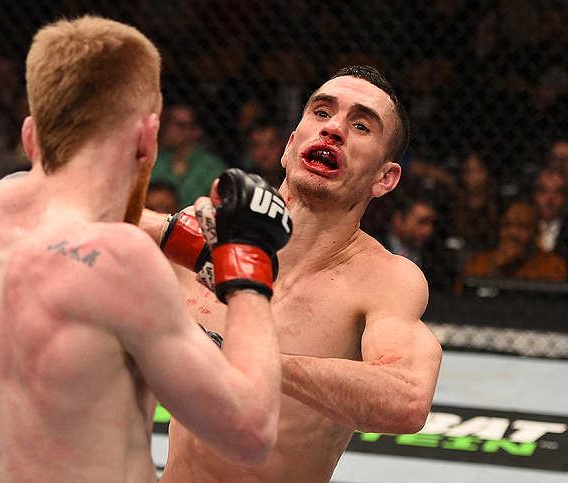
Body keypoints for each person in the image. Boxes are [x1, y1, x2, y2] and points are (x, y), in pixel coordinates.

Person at [0, 16, 291, 483]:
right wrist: (249, 259)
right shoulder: (121, 261)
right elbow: (250, 433)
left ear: (31, 135)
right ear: (147, 138)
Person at [142, 65, 443, 483]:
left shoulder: (387, 280)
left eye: (360, 125)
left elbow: (407, 399)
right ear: (289, 147)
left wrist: (251, 359)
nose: (334, 129)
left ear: (385, 178)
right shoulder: (206, 229)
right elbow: (76, 226)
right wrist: (161, 228)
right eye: (322, 113)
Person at [461, 199, 568, 284]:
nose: (512, 233)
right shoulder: (479, 261)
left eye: (522, 227)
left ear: (535, 232)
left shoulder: (553, 265)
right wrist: (496, 266)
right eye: (506, 225)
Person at [149, 102, 227, 207]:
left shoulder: (212, 166)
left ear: (195, 131)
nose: (169, 129)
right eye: (168, 122)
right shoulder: (155, 161)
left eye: (178, 124)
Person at [380, 191, 456, 292]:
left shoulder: (438, 256)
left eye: (432, 223)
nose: (428, 230)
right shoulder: (373, 246)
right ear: (398, 220)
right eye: (422, 222)